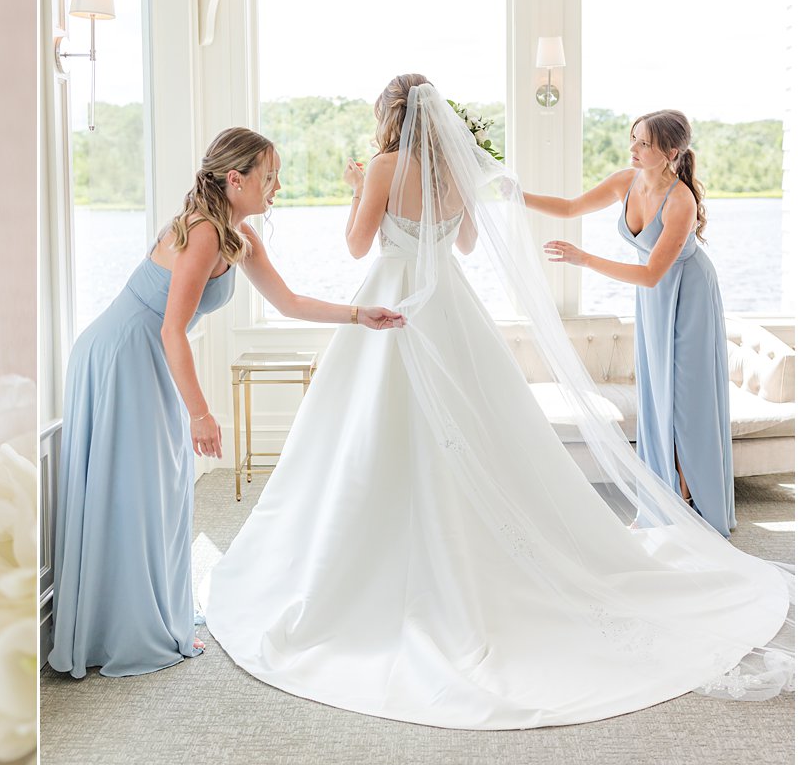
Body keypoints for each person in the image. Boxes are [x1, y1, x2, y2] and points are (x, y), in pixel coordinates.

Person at [207, 75, 791, 728]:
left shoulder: (381, 165)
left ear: (388, 115)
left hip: (392, 298)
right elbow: (463, 245)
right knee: (478, 431)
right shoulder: (453, 169)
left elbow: (356, 244)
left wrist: (358, 192)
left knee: (371, 432)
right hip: (450, 308)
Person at [48, 127, 405, 678]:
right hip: (122, 355)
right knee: (141, 490)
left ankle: (147, 616)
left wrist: (361, 315)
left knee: (157, 490)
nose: (278, 187)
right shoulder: (202, 232)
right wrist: (201, 413)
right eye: (270, 176)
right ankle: (125, 628)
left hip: (146, 353)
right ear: (234, 178)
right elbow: (172, 330)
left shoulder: (239, 237)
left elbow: (287, 302)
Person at [523, 111, 733, 534]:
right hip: (653, 302)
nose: (633, 150)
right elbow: (569, 207)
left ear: (670, 153)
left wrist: (583, 259)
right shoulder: (626, 180)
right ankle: (664, 500)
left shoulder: (681, 201)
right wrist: (515, 194)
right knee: (656, 398)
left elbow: (652, 273)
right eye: (633, 140)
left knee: (686, 405)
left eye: (643, 144)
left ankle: (692, 505)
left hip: (687, 297)